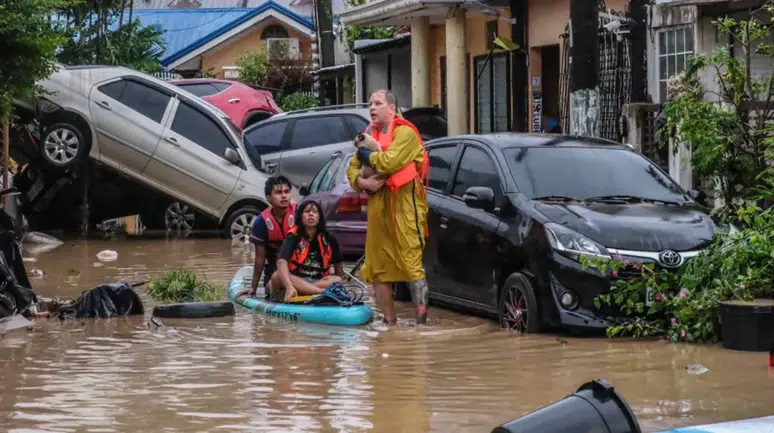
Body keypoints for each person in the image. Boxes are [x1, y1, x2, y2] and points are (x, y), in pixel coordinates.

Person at [346, 88, 430, 326]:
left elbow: (388, 162)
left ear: (391, 109)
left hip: (404, 209)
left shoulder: (405, 134)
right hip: (377, 210)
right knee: (378, 267)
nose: (372, 107)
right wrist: (363, 182)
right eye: (370, 103)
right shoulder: (369, 133)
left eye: (378, 103)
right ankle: (389, 323)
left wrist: (364, 153)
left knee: (412, 265)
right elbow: (351, 169)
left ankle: (421, 326)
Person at [269, 200, 345, 302]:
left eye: (315, 212)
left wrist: (339, 287)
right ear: (300, 216)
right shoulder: (293, 236)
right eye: (307, 212)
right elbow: (281, 262)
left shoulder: (330, 239)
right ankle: (319, 292)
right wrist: (289, 286)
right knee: (277, 276)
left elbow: (339, 271)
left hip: (317, 282)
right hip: (295, 280)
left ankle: (306, 290)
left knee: (337, 280)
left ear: (320, 217)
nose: (311, 214)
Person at [236, 175, 296, 298]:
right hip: (275, 271)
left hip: (299, 269)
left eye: (286, 192)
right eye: (278, 193)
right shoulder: (261, 222)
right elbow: (260, 258)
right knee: (274, 284)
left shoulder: (300, 214)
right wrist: (253, 288)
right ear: (269, 198)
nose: (284, 196)